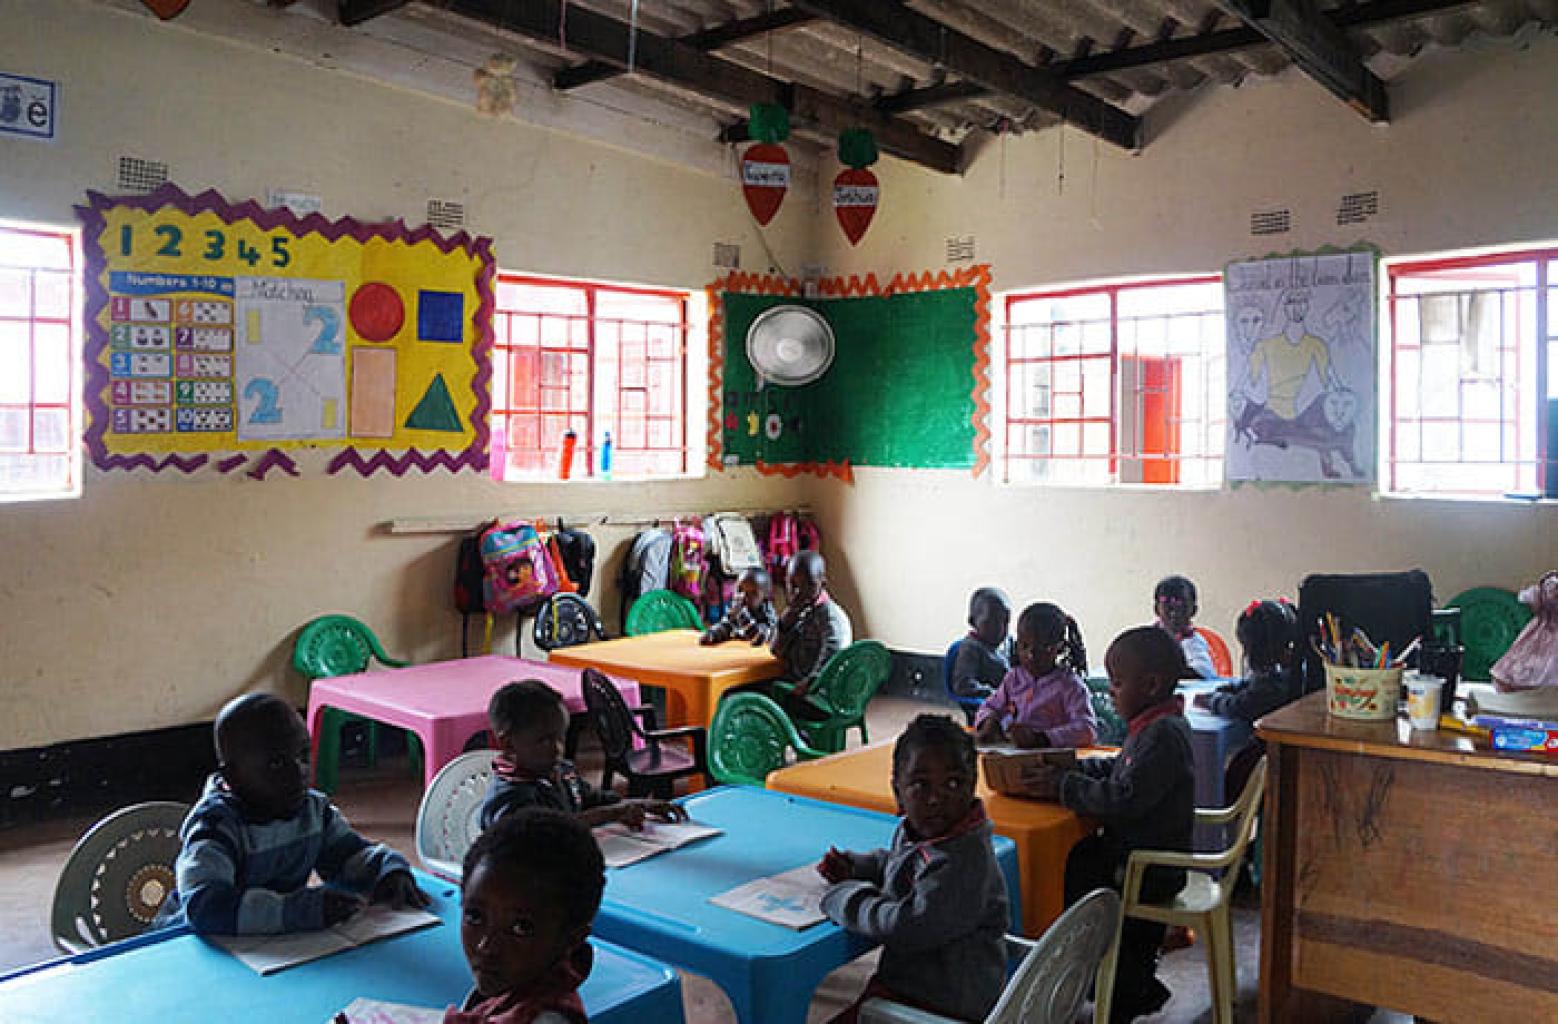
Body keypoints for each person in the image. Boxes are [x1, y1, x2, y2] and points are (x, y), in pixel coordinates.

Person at [1025, 627, 1195, 1022]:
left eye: (1117, 683)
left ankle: (1120, 985)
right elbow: (1120, 770)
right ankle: (1117, 979)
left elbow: (1123, 799)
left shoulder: (1163, 735)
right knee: (1083, 859)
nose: (1111, 692)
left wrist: (1065, 786)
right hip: (1140, 854)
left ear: (1150, 685)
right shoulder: (1153, 726)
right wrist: (1074, 769)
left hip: (1151, 867)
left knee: (1079, 868)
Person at [158, 693, 427, 935]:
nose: (299, 772)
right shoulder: (215, 827)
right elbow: (205, 907)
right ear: (233, 777)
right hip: (189, 944)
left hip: (274, 947)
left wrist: (388, 872)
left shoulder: (313, 811)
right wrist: (295, 911)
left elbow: (350, 856)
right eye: (276, 764)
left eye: (304, 755)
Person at [816, 715, 1009, 1023]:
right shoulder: (921, 831)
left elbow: (908, 927)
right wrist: (859, 866)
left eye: (953, 783)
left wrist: (845, 897)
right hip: (914, 986)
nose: (936, 799)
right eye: (920, 785)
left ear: (972, 786)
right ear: (898, 792)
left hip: (944, 1007)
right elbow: (903, 863)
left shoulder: (965, 858)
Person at [445, 808, 606, 1024]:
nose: (486, 946)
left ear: (572, 939)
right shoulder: (508, 989)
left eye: (521, 928)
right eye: (475, 916)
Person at [480, 679, 686, 830]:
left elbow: (590, 800)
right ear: (508, 744)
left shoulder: (562, 771)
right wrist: (613, 813)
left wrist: (637, 804)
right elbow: (549, 831)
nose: (557, 748)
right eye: (544, 740)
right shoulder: (509, 796)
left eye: (561, 737)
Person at [1194, 598, 1299, 802]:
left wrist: (1212, 700)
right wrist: (1234, 687)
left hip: (1264, 756)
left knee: (1229, 783)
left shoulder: (1274, 684)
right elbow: (1253, 684)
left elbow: (1240, 705)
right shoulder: (1288, 672)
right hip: (1274, 752)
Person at [973, 601, 1096, 748]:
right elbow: (990, 706)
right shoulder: (1014, 678)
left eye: (1044, 647)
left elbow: (1086, 729)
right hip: (1011, 752)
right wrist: (989, 722)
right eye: (1024, 646)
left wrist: (1042, 738)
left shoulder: (1070, 686)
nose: (1031, 655)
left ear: (1059, 647)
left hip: (1049, 758)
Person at [771, 550, 853, 720]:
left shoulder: (831, 619)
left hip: (821, 698)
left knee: (763, 703)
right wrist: (785, 623)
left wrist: (809, 683)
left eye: (808, 585)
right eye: (792, 584)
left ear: (822, 584)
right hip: (799, 683)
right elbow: (776, 651)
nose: (797, 592)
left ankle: (796, 733)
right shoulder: (800, 611)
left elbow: (833, 661)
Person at [950, 587, 1014, 701]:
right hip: (990, 704)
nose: (1000, 628)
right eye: (992, 622)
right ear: (972, 622)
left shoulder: (1008, 642)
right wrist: (994, 694)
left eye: (1005, 621)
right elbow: (962, 684)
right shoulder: (971, 648)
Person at [1154, 574, 1217, 679]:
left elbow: (1204, 673)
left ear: (1194, 610)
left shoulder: (1195, 642)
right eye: (1167, 604)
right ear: (1156, 609)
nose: (1174, 612)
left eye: (1181, 605)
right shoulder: (1144, 639)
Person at [700, 567, 778, 646]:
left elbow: (768, 633)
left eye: (753, 593)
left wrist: (741, 616)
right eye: (739, 590)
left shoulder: (767, 612)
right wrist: (713, 633)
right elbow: (726, 625)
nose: (743, 596)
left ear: (766, 596)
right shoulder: (737, 606)